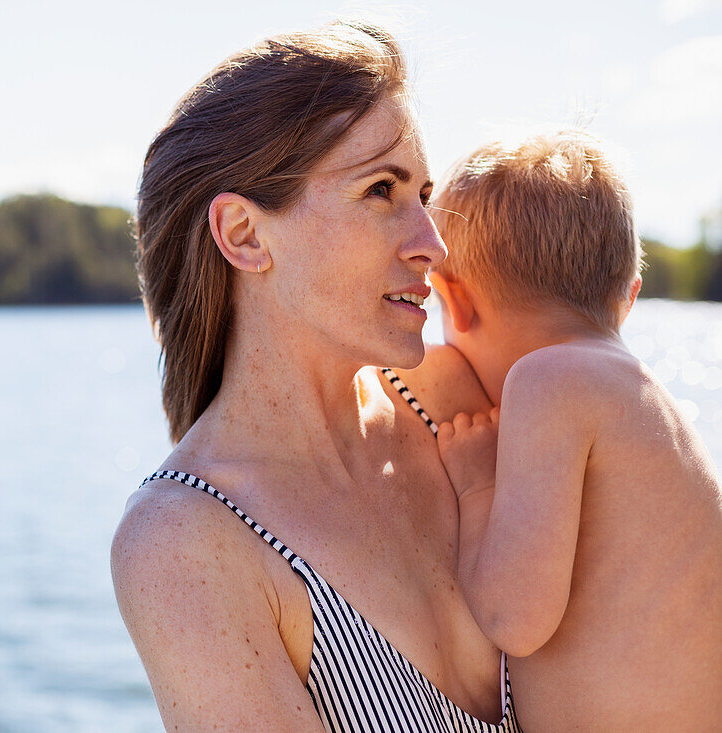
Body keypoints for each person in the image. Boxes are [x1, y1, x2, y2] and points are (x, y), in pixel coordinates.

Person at [110, 21, 521, 731]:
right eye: (381, 189)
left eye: (424, 193)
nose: (433, 242)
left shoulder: (465, 409)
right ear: (244, 235)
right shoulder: (186, 541)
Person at [414, 130, 722, 730]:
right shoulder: (658, 411)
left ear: (454, 301)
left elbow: (513, 620)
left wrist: (478, 485)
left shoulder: (547, 381)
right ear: (629, 298)